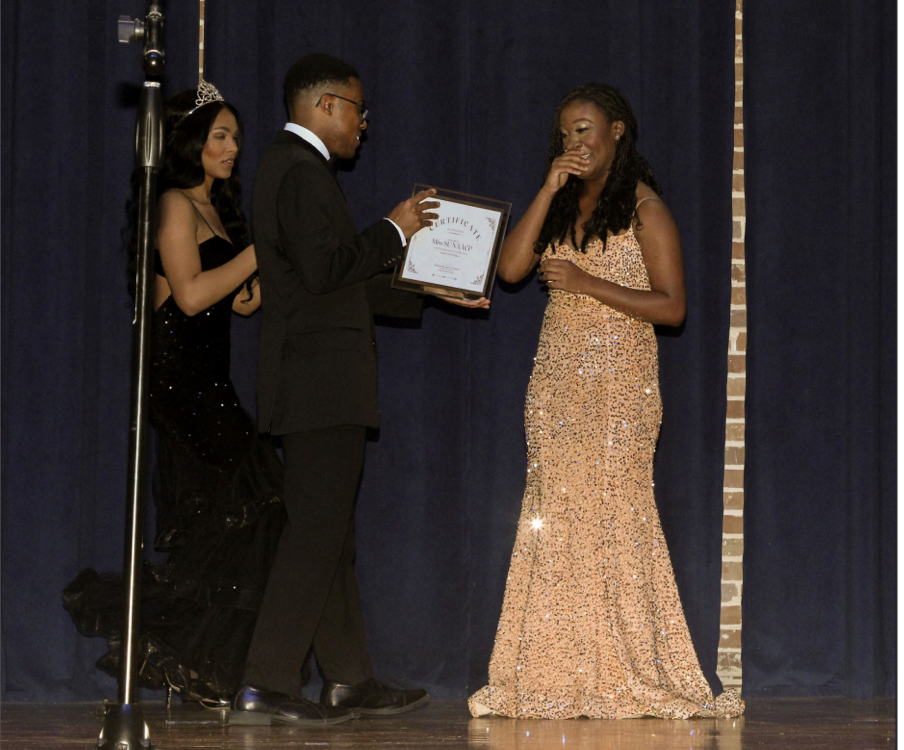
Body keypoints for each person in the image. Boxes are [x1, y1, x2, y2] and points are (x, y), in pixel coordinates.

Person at [468, 83, 744, 719]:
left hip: (620, 388)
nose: (576, 142)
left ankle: (622, 664)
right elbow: (510, 269)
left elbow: (672, 308)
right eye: (566, 133)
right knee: (554, 518)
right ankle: (549, 669)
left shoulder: (647, 209)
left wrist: (587, 282)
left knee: (615, 517)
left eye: (586, 130)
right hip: (555, 385)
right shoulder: (562, 205)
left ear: (618, 131)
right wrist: (546, 190)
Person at [231, 53, 486, 727]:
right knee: (315, 533)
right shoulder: (298, 170)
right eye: (358, 110)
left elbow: (334, 283)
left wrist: (426, 286)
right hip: (319, 384)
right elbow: (324, 269)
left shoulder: (298, 171)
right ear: (325, 107)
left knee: (331, 534)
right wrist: (397, 229)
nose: (364, 126)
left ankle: (346, 678)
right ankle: (265, 680)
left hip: (319, 380)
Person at [63, 84, 285, 705]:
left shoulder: (215, 209)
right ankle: (192, 663)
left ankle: (196, 668)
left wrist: (273, 258)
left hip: (207, 379)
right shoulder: (173, 204)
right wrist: (257, 254)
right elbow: (188, 295)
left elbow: (242, 303)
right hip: (178, 380)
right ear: (190, 142)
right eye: (220, 136)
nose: (233, 148)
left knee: (234, 522)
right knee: (251, 501)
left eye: (236, 137)